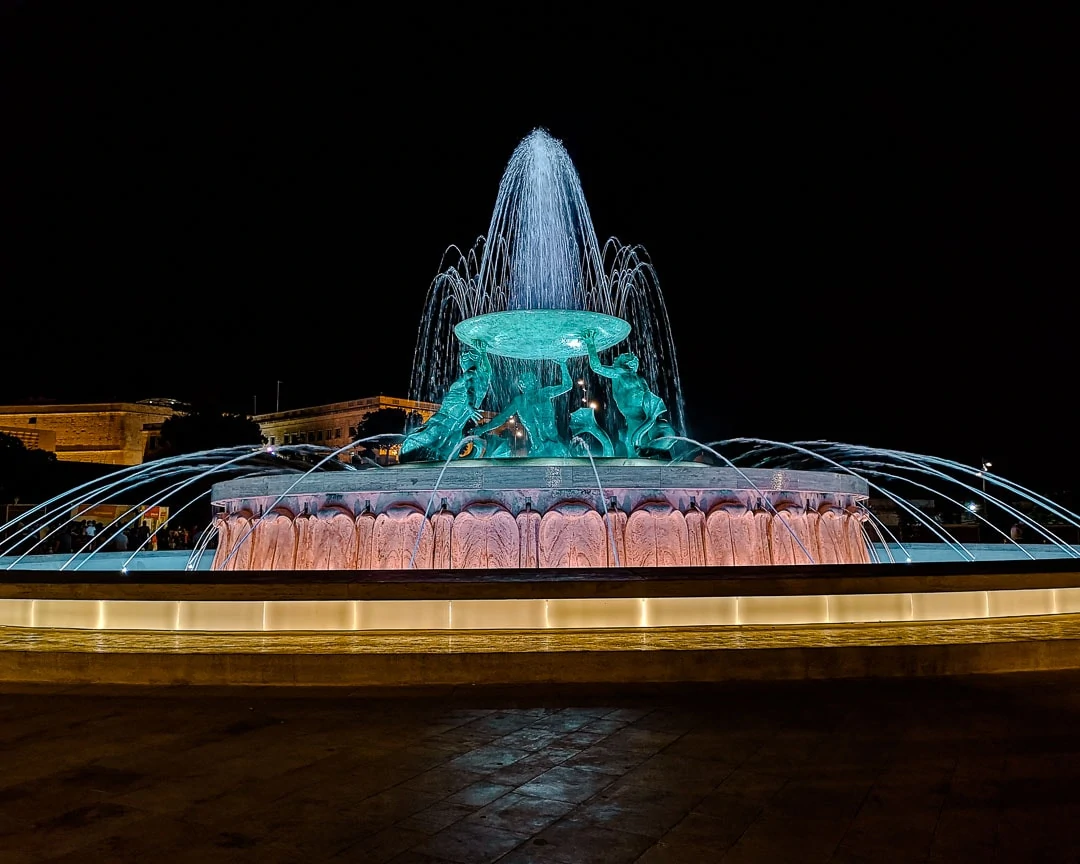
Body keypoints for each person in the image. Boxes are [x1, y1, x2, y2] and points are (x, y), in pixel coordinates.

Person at [583, 330, 678, 458]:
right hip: (634, 418)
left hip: (649, 414)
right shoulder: (618, 373)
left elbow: (648, 395)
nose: (633, 359)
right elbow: (597, 367)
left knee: (658, 446)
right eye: (629, 358)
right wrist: (590, 344)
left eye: (635, 360)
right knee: (637, 452)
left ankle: (665, 462)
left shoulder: (640, 378)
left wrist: (651, 413)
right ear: (622, 361)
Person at [399, 341, 492, 463]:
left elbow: (481, 378)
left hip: (450, 427)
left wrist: (483, 353)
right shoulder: (473, 377)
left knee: (432, 458)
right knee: (440, 459)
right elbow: (471, 387)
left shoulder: (476, 377)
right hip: (446, 425)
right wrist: (483, 354)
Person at [474, 360, 574, 457]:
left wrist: (563, 365)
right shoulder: (519, 402)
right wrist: (483, 429)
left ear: (535, 381)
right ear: (520, 385)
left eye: (531, 379)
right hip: (537, 447)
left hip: (555, 443)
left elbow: (567, 386)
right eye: (525, 381)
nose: (529, 382)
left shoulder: (544, 393)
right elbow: (501, 418)